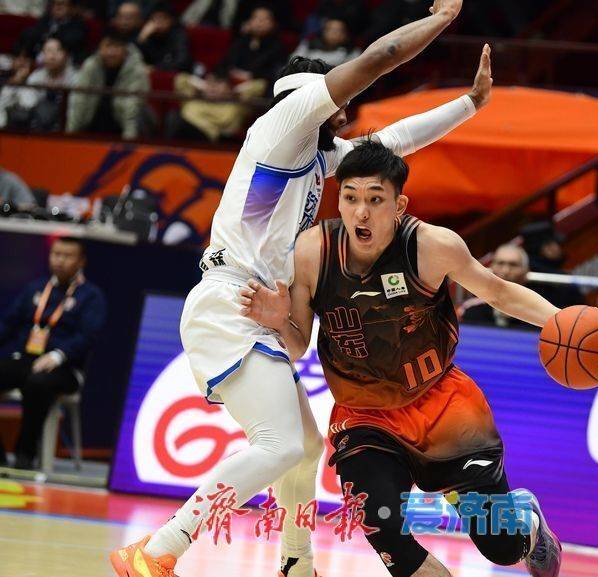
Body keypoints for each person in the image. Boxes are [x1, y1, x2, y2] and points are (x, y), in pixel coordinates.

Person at [110, 1, 496, 574]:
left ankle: (295, 562)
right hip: (231, 300)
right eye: (337, 101)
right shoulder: (283, 126)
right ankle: (160, 548)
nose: (346, 111)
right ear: (314, 98)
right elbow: (381, 57)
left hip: (253, 307)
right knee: (281, 444)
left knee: (307, 447)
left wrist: (470, 103)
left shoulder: (317, 155)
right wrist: (439, 21)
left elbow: (395, 140)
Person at [241, 140, 563, 577]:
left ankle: (524, 518)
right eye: (350, 198)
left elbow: (499, 292)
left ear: (399, 205)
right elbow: (297, 346)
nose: (361, 213)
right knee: (383, 527)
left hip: (442, 407)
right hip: (364, 417)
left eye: (375, 200)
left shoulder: (431, 246)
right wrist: (278, 320)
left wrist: (563, 321)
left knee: (502, 548)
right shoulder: (312, 252)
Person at [0, 237, 106, 469]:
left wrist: (58, 355)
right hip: (26, 359)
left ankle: (25, 454)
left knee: (37, 382)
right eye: (56, 254)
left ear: (81, 261)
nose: (60, 260)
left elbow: (87, 336)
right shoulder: (35, 288)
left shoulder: (90, 296)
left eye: (67, 256)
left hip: (65, 368)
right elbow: (8, 324)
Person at [66, 31, 150, 140]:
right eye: (108, 46)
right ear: (100, 48)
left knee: (142, 114)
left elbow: (133, 108)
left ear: (125, 50)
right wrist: (70, 136)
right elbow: (79, 101)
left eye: (116, 47)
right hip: (93, 122)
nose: (111, 52)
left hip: (123, 125)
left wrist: (129, 144)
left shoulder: (137, 70)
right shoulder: (91, 66)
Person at [0, 37, 77, 132]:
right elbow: (26, 104)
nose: (52, 57)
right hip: (39, 128)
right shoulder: (36, 76)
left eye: (57, 51)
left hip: (67, 131)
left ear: (66, 54)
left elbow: (76, 112)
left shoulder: (75, 78)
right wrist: (16, 82)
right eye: (48, 51)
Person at [168, 67, 260, 142]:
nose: (212, 86)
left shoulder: (237, 105)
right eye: (209, 82)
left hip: (214, 142)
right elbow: (180, 78)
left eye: (218, 82)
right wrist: (202, 85)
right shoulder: (194, 100)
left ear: (228, 86)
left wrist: (234, 90)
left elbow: (260, 85)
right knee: (173, 117)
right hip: (186, 136)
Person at [459, 244, 534, 329]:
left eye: (513, 265)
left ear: (526, 271)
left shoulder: (539, 313)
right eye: (500, 263)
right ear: (491, 267)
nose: (506, 271)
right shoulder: (471, 310)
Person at [220, 4, 286, 84]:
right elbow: (226, 63)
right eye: (256, 18)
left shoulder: (276, 47)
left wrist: (252, 76)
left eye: (265, 19)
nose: (260, 22)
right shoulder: (241, 42)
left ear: (273, 24)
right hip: (232, 80)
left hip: (258, 83)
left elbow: (275, 72)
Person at [14, 0, 88, 64]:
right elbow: (31, 35)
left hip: (64, 62)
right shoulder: (45, 20)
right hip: (37, 59)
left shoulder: (78, 24)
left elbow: (70, 41)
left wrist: (47, 37)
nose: (58, 7)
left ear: (71, 8)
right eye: (55, 4)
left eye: (62, 4)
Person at [136, 1, 192, 72]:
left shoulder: (178, 36)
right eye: (155, 19)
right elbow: (136, 60)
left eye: (163, 18)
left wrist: (156, 68)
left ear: (171, 20)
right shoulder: (148, 35)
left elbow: (182, 62)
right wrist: (142, 38)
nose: (159, 23)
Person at [293, 18, 361, 68]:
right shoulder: (308, 45)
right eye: (331, 30)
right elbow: (294, 62)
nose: (335, 34)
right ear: (323, 32)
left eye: (339, 31)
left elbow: (356, 70)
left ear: (346, 34)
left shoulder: (352, 51)